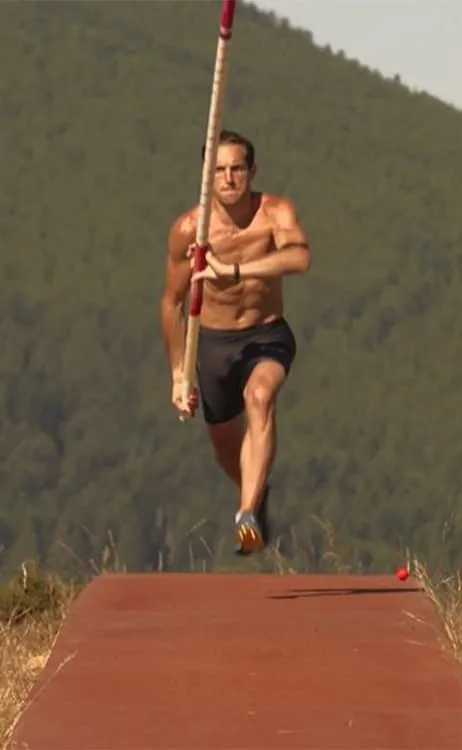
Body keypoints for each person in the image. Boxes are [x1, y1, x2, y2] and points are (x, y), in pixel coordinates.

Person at [160, 129, 311, 556]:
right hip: (213, 345)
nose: (228, 179)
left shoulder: (274, 212)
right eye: (219, 170)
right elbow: (171, 303)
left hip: (267, 333)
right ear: (207, 176)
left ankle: (246, 513)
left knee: (260, 397)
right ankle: (256, 492)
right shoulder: (190, 230)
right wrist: (178, 375)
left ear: (252, 171)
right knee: (227, 448)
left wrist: (236, 272)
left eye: (237, 169)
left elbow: (300, 258)